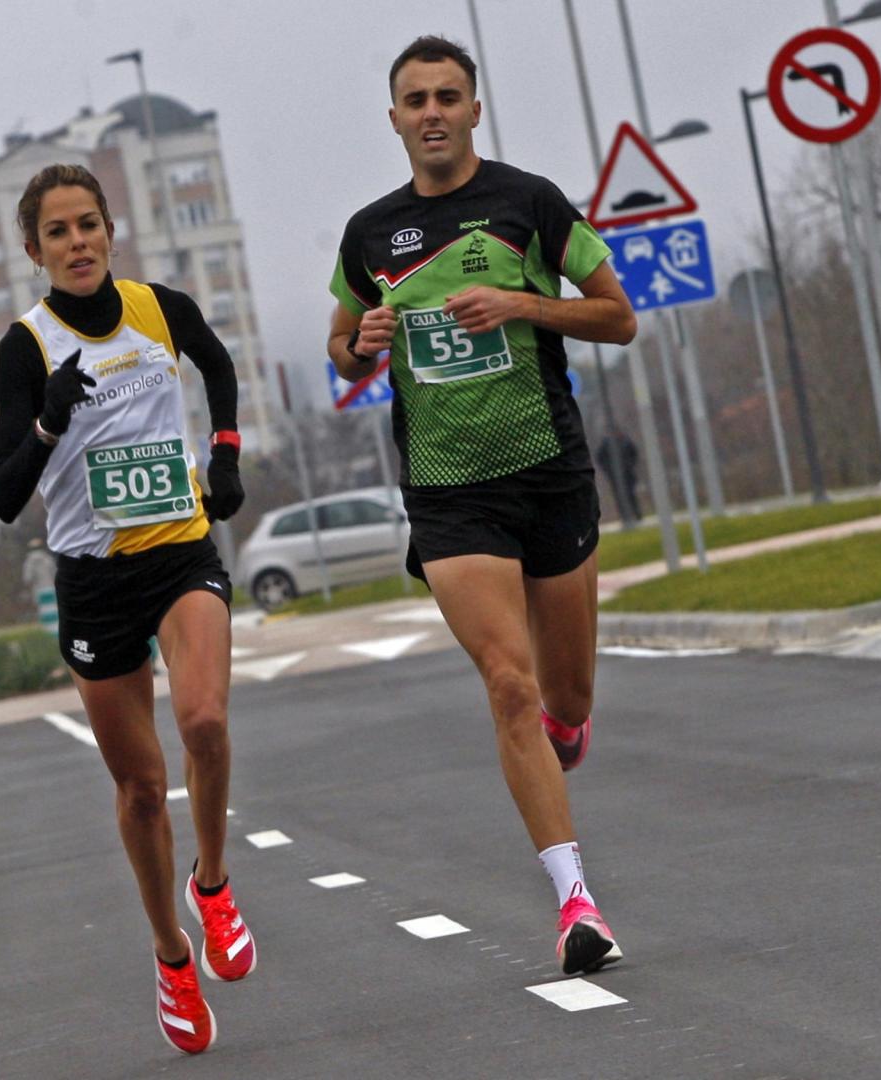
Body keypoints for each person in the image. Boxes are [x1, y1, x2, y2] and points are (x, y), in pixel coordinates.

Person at [325, 36, 638, 977]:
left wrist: (523, 307)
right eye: (415, 98)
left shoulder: (529, 204)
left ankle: (567, 732)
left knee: (565, 697)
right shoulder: (370, 234)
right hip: (448, 487)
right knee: (509, 684)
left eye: (447, 96)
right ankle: (575, 902)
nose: (431, 112)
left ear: (472, 109)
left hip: (548, 471)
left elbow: (617, 314)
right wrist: (362, 343)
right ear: (393, 119)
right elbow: (340, 342)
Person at [0, 163, 251, 1056]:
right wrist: (48, 423)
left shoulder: (160, 307)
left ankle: (211, 884)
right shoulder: (24, 348)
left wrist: (223, 455)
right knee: (141, 788)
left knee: (206, 720)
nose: (78, 243)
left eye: (89, 224)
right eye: (58, 231)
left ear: (111, 230)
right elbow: (2, 495)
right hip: (94, 579)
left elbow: (216, 365)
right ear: (34, 251)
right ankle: (173, 955)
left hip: (180, 551)